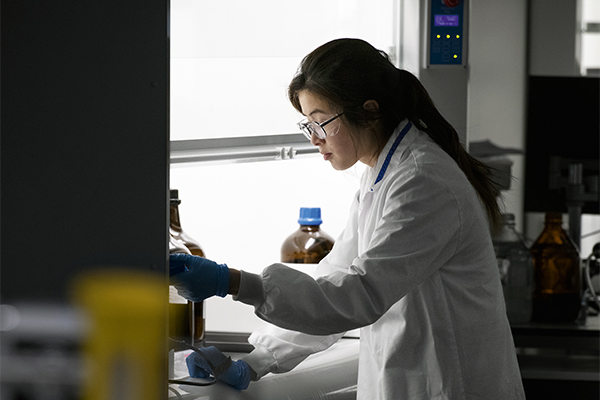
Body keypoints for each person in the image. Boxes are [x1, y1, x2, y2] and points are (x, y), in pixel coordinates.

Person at [170, 38, 526, 399]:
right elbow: (336, 279)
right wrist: (258, 360)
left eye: (321, 123)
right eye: (308, 125)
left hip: (454, 385)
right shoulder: (381, 175)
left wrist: (230, 281)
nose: (314, 139)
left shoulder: (423, 181)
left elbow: (358, 295)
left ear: (370, 112)